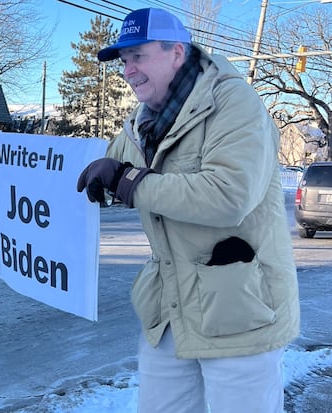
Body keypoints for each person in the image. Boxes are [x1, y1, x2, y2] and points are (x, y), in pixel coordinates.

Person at [76, 7, 300, 413]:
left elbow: (229, 195)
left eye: (138, 56)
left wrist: (127, 182)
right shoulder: (141, 120)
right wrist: (97, 176)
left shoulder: (233, 104)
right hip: (170, 307)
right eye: (124, 61)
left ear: (176, 53)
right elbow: (112, 169)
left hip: (239, 310)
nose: (128, 70)